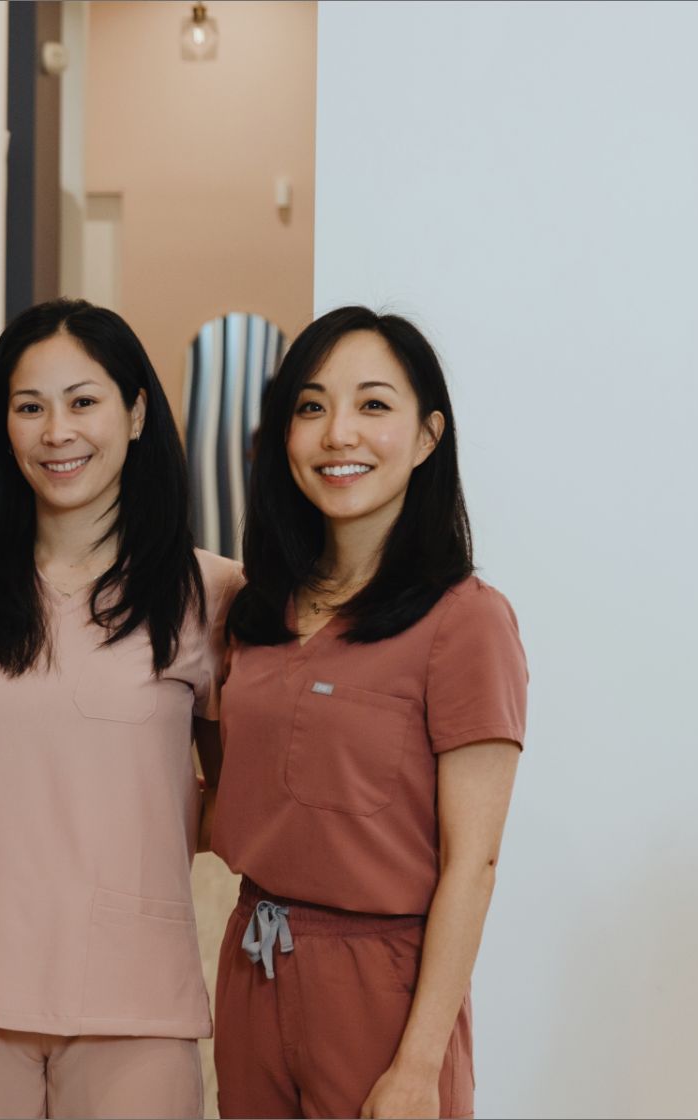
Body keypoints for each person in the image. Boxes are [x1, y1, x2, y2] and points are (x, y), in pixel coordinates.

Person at [0, 298, 241, 1119]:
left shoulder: (210, 595)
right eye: (30, 407)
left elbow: (233, 789)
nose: (57, 431)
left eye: (83, 401)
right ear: (5, 427)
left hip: (135, 996)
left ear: (134, 413)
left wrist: (133, 819)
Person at [210, 306, 527, 1119]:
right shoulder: (257, 611)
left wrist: (419, 1065)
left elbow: (473, 864)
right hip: (254, 958)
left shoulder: (466, 621)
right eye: (311, 408)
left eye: (373, 406)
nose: (337, 433)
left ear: (427, 437)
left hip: (382, 985)